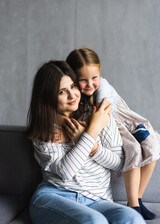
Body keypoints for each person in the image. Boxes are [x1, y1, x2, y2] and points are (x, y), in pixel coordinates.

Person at [26, 60, 145, 224]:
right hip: (55, 196)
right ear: (47, 96)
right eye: (62, 91)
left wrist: (93, 146)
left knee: (132, 218)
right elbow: (66, 172)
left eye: (73, 86)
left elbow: (119, 164)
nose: (72, 95)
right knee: (94, 221)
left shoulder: (97, 114)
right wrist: (92, 130)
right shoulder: (45, 132)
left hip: (98, 201)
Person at [66, 48, 160, 220]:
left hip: (118, 119)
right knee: (134, 151)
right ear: (73, 78)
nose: (90, 84)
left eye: (94, 78)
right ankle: (133, 205)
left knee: (153, 146)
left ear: (100, 73)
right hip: (108, 127)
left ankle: (138, 198)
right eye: (83, 80)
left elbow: (101, 115)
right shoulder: (74, 95)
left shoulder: (103, 86)